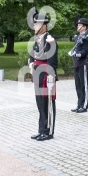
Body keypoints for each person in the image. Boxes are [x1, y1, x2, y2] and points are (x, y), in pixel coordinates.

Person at [28, 9, 58, 141]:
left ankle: (48, 131)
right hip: (37, 76)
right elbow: (32, 56)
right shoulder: (37, 40)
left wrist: (51, 77)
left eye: (36, 24)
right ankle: (41, 129)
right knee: (40, 104)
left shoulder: (49, 40)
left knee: (48, 104)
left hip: (46, 76)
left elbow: (53, 61)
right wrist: (30, 63)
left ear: (43, 26)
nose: (34, 26)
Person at [71, 17, 88, 113]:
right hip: (76, 63)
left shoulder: (86, 37)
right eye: (78, 25)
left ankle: (84, 105)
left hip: (82, 62)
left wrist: (78, 54)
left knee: (84, 85)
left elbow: (85, 50)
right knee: (78, 85)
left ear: (84, 27)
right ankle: (79, 103)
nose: (78, 26)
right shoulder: (77, 37)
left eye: (80, 25)